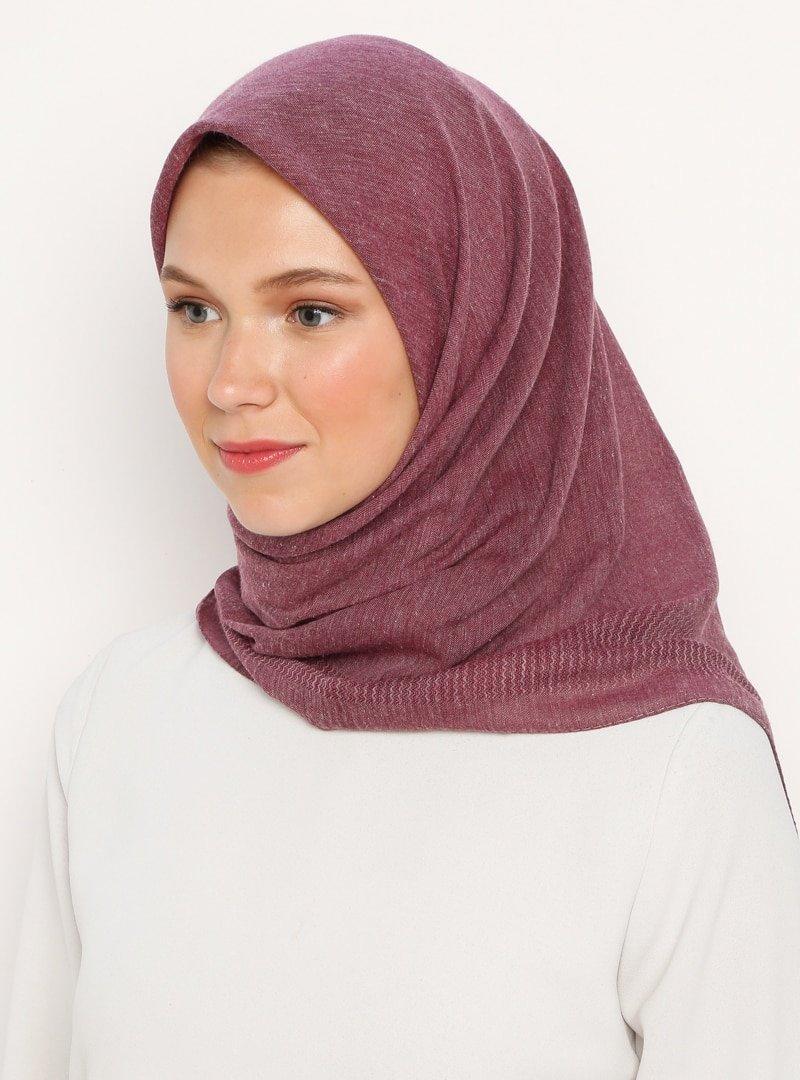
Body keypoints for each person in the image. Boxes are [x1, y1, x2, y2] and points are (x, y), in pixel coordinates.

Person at [4, 33, 800, 1080]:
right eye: (194, 308)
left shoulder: (674, 771)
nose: (230, 381)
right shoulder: (117, 720)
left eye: (309, 311)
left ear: (474, 329)